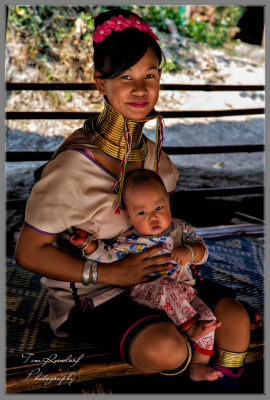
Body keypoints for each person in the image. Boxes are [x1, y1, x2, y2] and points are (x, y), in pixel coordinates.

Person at [15, 8, 253, 392]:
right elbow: (28, 253)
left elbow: (165, 231)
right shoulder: (71, 171)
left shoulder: (156, 158)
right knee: (166, 349)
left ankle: (221, 386)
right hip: (97, 293)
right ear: (100, 83)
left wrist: (187, 257)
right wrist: (109, 273)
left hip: (168, 280)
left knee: (237, 320)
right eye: (125, 76)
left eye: (150, 75)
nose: (140, 90)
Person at [69, 168, 223, 381]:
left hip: (184, 290)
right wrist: (88, 244)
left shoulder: (181, 229)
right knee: (168, 288)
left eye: (159, 207)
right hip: (147, 289)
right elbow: (106, 256)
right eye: (141, 212)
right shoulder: (129, 240)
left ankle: (198, 364)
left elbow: (203, 251)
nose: (154, 217)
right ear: (127, 214)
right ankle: (189, 328)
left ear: (169, 202)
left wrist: (189, 251)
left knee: (209, 319)